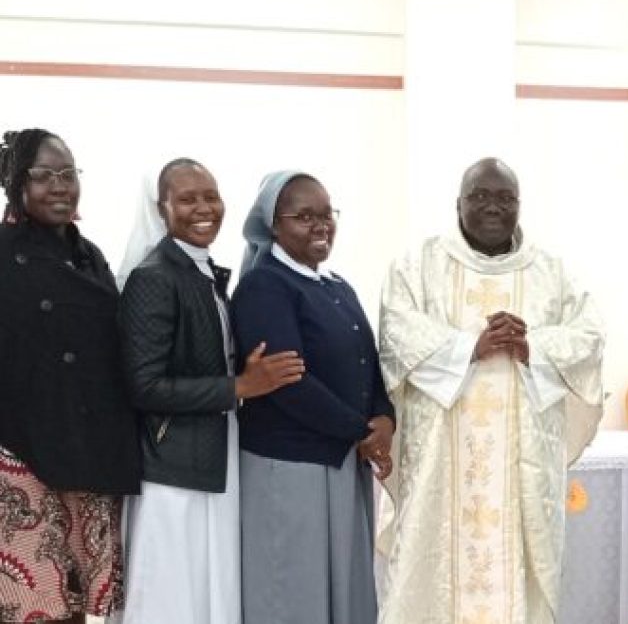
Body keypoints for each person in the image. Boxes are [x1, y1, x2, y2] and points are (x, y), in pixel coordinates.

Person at [376, 158, 605, 624]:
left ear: (520, 205)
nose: (493, 206)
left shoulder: (551, 271)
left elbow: (590, 336)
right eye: (480, 195)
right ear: (457, 203)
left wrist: (532, 344)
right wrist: (468, 347)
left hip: (522, 464)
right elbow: (395, 331)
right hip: (442, 463)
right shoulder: (418, 264)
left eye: (505, 198)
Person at [112, 159, 304, 624]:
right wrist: (240, 385)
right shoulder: (154, 277)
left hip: (213, 458)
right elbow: (144, 385)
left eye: (211, 196)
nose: (204, 208)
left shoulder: (201, 272)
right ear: (162, 209)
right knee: (171, 595)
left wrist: (243, 371)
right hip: (172, 471)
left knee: (207, 592)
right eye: (187, 198)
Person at [230, 171, 394, 624]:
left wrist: (384, 418)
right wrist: (361, 432)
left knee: (342, 593)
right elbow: (288, 383)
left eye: (326, 214)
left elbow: (369, 364)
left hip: (340, 458)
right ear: (273, 225)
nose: (320, 225)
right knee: (292, 592)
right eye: (304, 216)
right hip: (288, 466)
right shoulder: (265, 286)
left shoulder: (336, 286)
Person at [0, 128, 141, 623]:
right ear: (17, 183)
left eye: (69, 174)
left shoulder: (90, 255)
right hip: (19, 455)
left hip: (89, 449)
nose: (60, 186)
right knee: (34, 604)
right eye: (45, 176)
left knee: (79, 604)